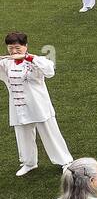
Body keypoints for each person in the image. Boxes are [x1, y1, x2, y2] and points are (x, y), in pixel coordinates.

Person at [5, 32, 73, 176]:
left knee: (50, 133)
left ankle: (66, 162)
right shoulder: (6, 63)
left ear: (25, 46)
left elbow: (49, 71)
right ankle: (29, 163)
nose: (14, 51)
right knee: (22, 135)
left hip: (39, 105)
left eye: (17, 47)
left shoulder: (36, 60)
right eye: (10, 48)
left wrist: (29, 57)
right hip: (18, 107)